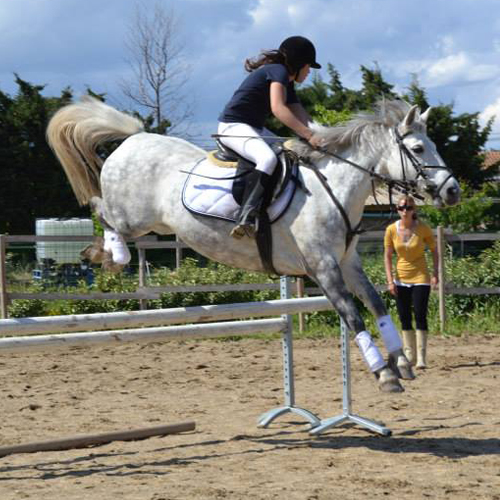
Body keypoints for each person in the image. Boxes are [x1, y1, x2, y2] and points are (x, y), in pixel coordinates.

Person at [217, 36, 323, 239]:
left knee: (289, 153)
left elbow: (301, 114)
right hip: (232, 127)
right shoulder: (278, 71)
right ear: (299, 62)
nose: (309, 71)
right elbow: (278, 109)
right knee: (268, 159)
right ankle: (246, 215)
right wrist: (309, 135)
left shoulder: (286, 81)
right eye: (308, 66)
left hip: (253, 128)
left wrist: (323, 134)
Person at [384, 195, 439, 369]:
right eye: (401, 208)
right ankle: (409, 354)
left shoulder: (423, 229)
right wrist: (390, 280)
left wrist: (435, 273)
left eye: (408, 208)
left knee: (420, 314)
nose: (404, 211)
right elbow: (387, 256)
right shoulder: (391, 230)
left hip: (421, 277)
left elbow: (434, 251)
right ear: (397, 210)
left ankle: (421, 357)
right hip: (400, 278)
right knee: (404, 316)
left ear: (413, 210)